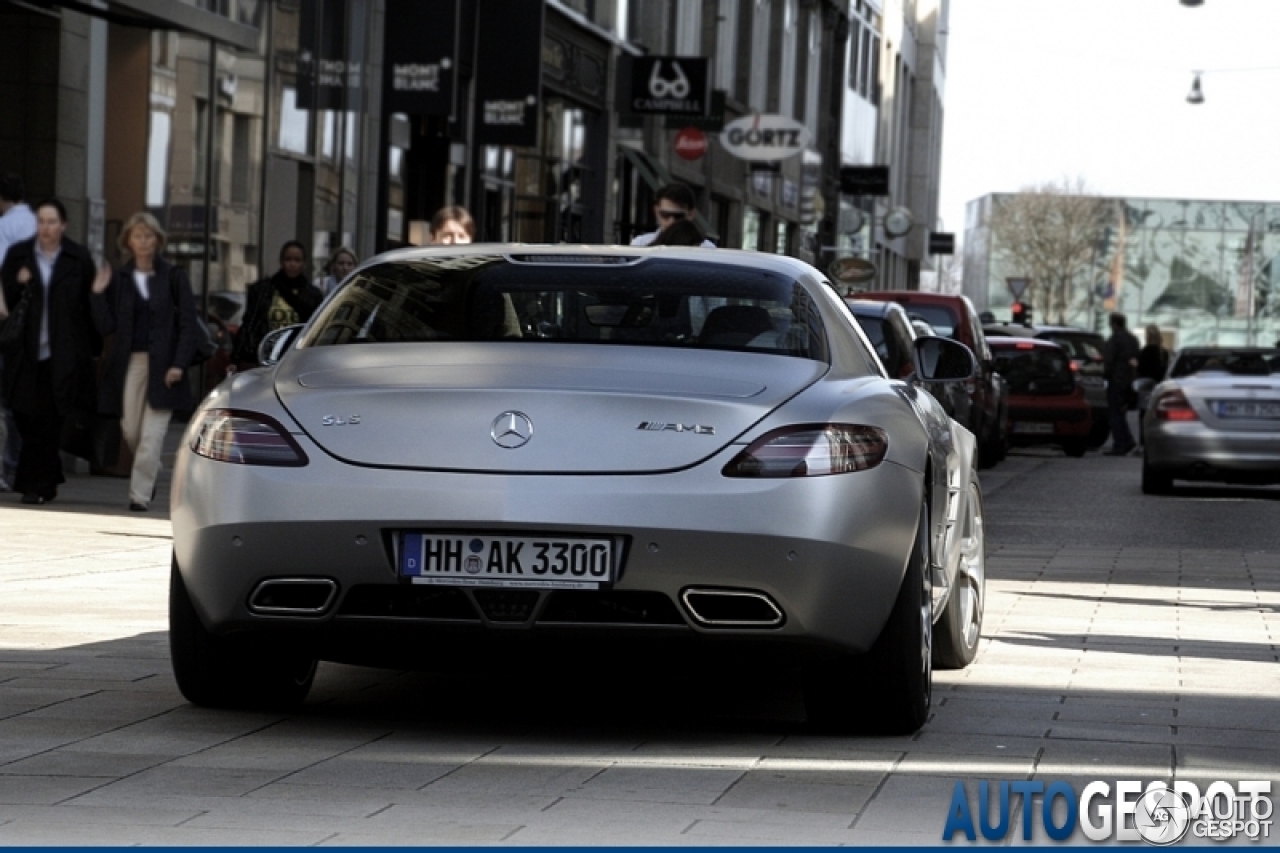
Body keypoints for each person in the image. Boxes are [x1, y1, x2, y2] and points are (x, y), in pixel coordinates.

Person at [90, 212, 198, 512]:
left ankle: (139, 494)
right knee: (131, 431)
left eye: (149, 236)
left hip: (164, 366)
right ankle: (149, 469)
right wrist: (97, 294)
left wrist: (179, 364)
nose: (143, 241)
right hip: (129, 365)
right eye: (137, 236)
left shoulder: (174, 276)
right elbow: (105, 326)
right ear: (128, 241)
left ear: (158, 240)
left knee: (151, 437)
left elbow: (188, 324)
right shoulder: (120, 278)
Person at [0, 198, 99, 504]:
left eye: (52, 222)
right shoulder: (20, 255)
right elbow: (6, 301)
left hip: (62, 355)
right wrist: (18, 283)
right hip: (24, 353)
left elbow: (88, 308)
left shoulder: (77, 259)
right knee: (23, 416)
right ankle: (49, 473)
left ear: (63, 225)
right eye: (41, 221)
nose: (45, 228)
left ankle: (36, 487)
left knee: (48, 419)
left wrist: (90, 352)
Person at [230, 240, 322, 369]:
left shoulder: (313, 295)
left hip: (297, 356)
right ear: (281, 261)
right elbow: (249, 323)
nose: (292, 264)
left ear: (304, 264)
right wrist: (236, 358)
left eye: (297, 260)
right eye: (288, 259)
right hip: (267, 355)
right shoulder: (263, 290)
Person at [0, 172, 37, 491]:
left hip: (10, 326)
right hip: (37, 329)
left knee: (7, 402)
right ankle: (24, 465)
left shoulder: (5, 226)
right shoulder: (40, 224)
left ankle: (9, 468)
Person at [1101, 311, 1140, 456]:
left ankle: (1121, 443)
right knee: (1120, 411)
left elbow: (1109, 360)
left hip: (1116, 379)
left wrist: (1105, 373)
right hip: (1128, 380)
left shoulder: (1115, 339)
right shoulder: (1132, 339)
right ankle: (1127, 440)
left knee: (1115, 413)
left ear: (1114, 324)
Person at [629, 183, 716, 248]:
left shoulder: (707, 248)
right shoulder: (640, 244)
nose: (672, 221)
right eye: (665, 215)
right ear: (656, 211)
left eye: (678, 216)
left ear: (691, 215)